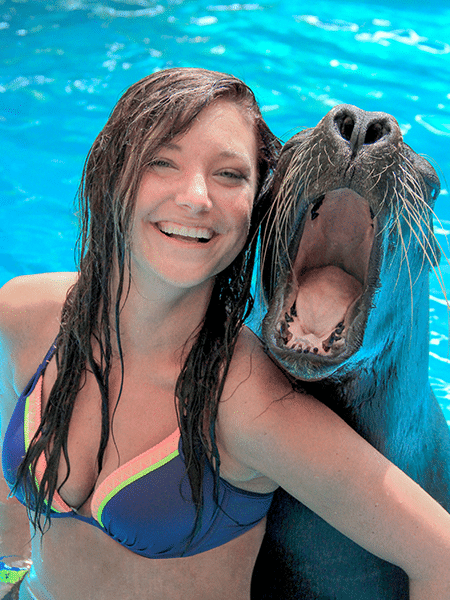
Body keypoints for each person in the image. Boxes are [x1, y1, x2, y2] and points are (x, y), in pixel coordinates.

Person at [0, 67, 449, 600]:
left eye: (230, 176)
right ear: (111, 170)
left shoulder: (249, 405)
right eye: (162, 161)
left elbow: (440, 556)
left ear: (257, 206)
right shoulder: (25, 313)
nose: (195, 198)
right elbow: (14, 517)